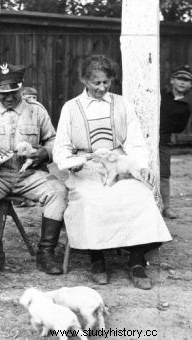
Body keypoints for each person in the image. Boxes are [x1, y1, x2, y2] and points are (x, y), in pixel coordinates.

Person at [53, 55, 172, 290]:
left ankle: (136, 261)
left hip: (118, 163)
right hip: (85, 166)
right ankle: (97, 259)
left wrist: (140, 166)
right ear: (84, 79)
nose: (102, 87)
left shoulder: (121, 104)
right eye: (96, 82)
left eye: (106, 82)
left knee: (140, 197)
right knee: (91, 200)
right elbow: (61, 148)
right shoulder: (71, 107)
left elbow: (135, 142)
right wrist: (73, 162)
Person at [0, 63, 67, 276]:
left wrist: (42, 153)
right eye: (3, 93)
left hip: (30, 174)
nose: (9, 97)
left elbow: (54, 141)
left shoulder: (36, 111)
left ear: (21, 88)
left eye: (13, 92)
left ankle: (46, 253)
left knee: (58, 191)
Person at [160, 65, 192, 219]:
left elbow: (179, 129)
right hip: (145, 137)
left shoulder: (186, 106)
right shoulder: (160, 95)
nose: (182, 82)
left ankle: (166, 207)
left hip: (164, 141)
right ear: (172, 80)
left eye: (187, 80)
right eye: (179, 78)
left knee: (164, 173)